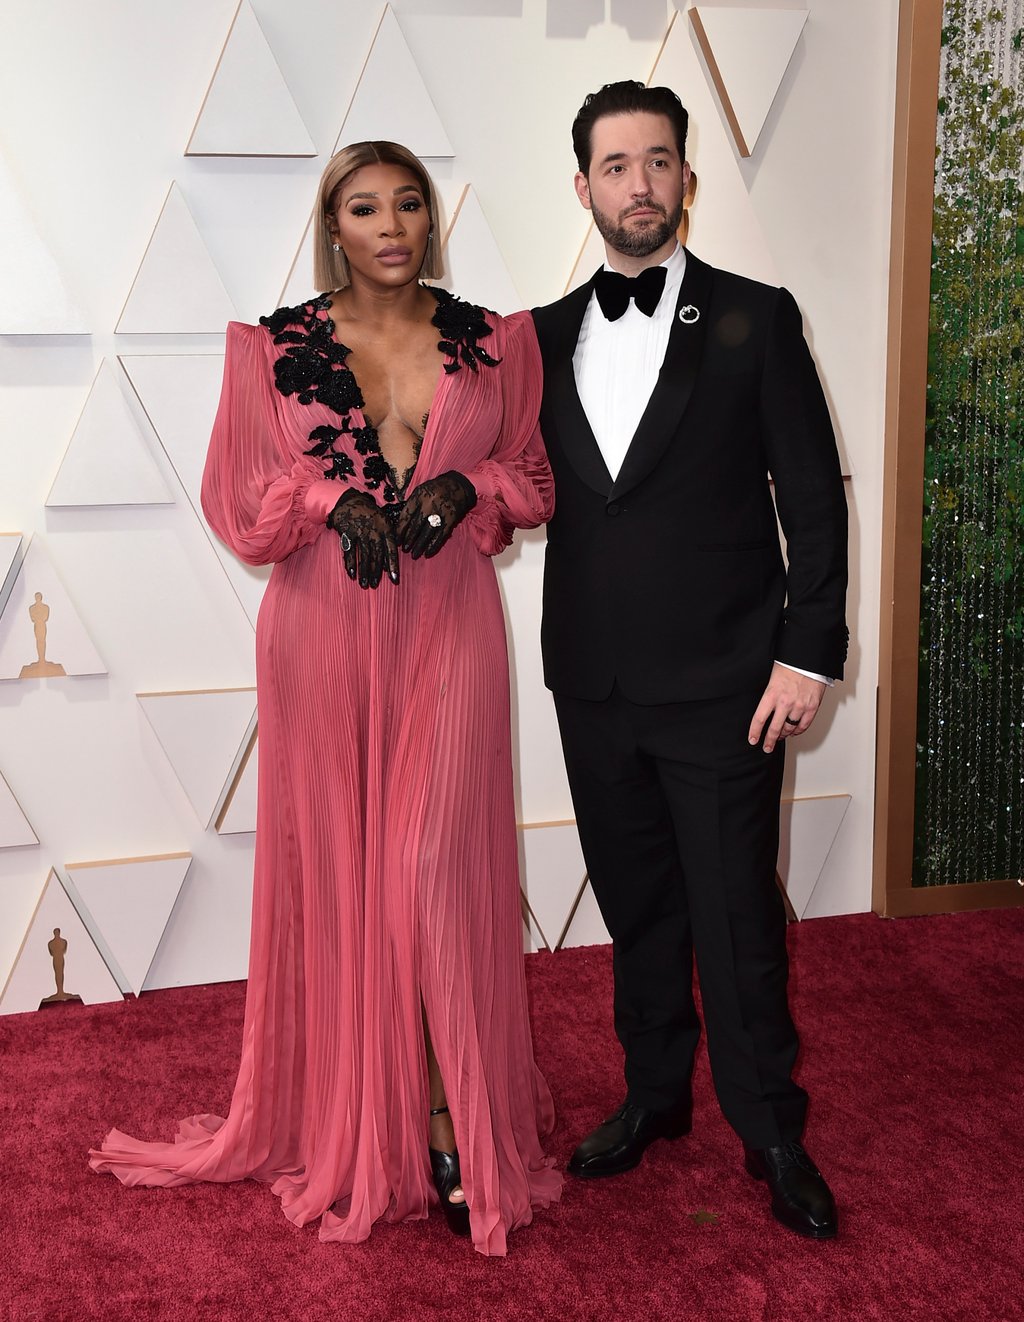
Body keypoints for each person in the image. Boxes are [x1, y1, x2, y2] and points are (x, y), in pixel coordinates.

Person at [90, 140, 561, 1257]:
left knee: (431, 869)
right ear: (332, 225)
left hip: (446, 629)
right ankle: (372, 1114)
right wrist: (320, 498)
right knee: (352, 871)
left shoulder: (496, 342)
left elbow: (534, 478)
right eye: (364, 207)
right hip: (322, 634)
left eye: (408, 203)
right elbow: (238, 496)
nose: (390, 224)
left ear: (430, 221)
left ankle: (448, 1115)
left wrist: (471, 482)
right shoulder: (274, 347)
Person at [531, 82, 848, 1240]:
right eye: (615, 165)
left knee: (736, 919)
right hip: (594, 684)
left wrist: (805, 657)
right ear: (584, 187)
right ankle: (656, 1095)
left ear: (686, 179)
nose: (638, 185)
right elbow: (516, 484)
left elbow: (811, 503)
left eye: (657, 161)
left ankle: (770, 1128)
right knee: (639, 909)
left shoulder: (755, 317)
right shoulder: (541, 334)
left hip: (728, 686)